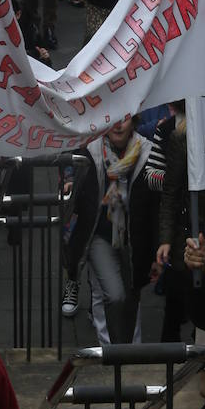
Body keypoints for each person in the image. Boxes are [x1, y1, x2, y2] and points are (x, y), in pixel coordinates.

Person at [61, 116, 159, 340]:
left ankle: (132, 354)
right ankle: (108, 351)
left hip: (134, 238)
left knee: (132, 295)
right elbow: (73, 185)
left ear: (133, 121)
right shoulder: (90, 151)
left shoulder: (147, 152)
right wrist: (71, 186)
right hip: (99, 235)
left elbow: (155, 205)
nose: (118, 124)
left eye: (124, 119)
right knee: (112, 295)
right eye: (112, 118)